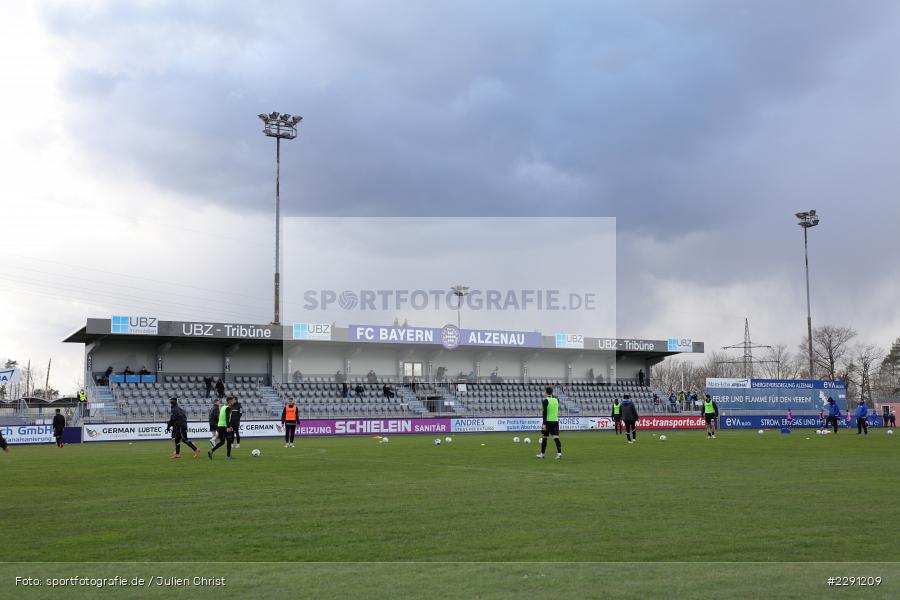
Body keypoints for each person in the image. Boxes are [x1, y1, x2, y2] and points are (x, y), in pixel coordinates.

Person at [536, 387, 562, 460]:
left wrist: (544, 424)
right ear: (552, 392)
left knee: (544, 438)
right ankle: (559, 453)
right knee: (556, 438)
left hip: (547, 422)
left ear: (546, 392)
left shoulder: (545, 401)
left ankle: (542, 454)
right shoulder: (556, 400)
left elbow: (544, 413)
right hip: (555, 421)